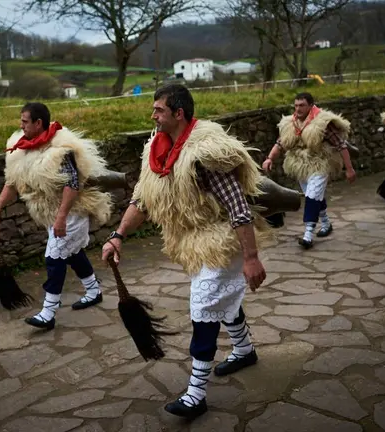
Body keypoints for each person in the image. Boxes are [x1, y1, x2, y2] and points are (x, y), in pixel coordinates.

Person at [101, 84, 268, 420]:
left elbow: (237, 206)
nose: (153, 116)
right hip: (190, 243)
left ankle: (196, 393)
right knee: (222, 299)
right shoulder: (156, 151)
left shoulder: (204, 154)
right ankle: (245, 350)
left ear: (178, 113)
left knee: (204, 303)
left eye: (158, 110)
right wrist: (118, 235)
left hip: (221, 239)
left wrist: (250, 257)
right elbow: (142, 200)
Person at [0, 102, 113, 330]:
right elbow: (12, 182)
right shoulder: (22, 148)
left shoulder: (61, 149)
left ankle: (48, 312)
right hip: (50, 212)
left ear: (38, 123)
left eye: (25, 121)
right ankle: (94, 290)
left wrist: (61, 218)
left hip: (71, 212)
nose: (21, 125)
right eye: (21, 121)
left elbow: (73, 185)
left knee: (54, 258)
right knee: (73, 253)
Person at [262, 93, 357, 249]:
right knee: (313, 196)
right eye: (296, 105)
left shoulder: (323, 123)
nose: (298, 109)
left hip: (320, 163)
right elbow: (280, 143)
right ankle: (326, 223)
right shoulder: (289, 123)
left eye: (302, 105)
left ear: (311, 105)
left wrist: (349, 168)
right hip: (300, 165)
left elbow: (341, 145)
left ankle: (307, 235)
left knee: (312, 197)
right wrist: (270, 158)